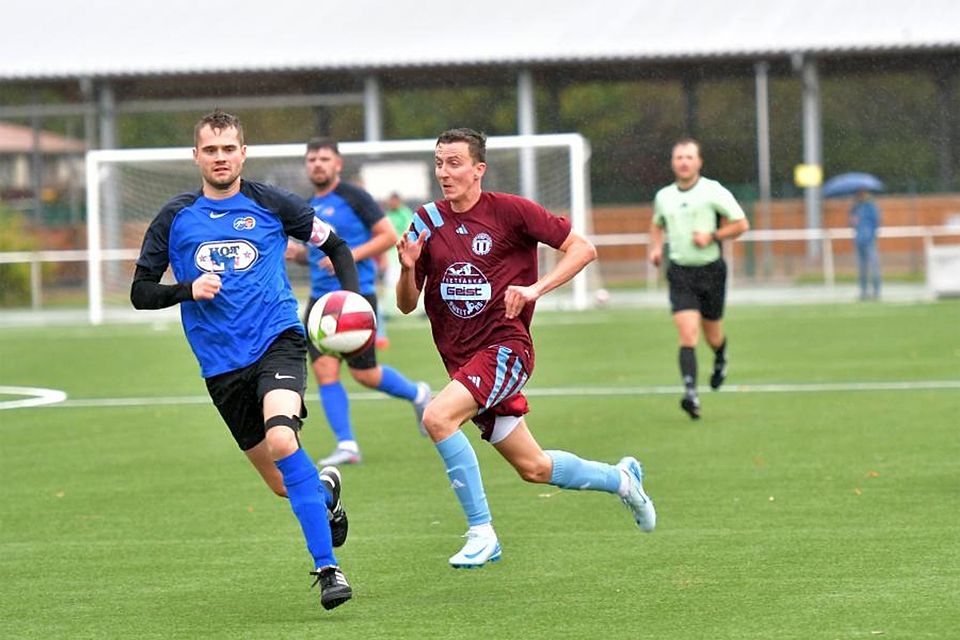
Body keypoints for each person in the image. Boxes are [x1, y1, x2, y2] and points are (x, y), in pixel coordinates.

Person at [396, 127, 656, 569]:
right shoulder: (426, 221)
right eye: (439, 162)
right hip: (463, 363)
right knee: (534, 467)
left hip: (506, 350)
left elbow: (582, 248)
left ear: (479, 169)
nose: (444, 172)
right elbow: (405, 306)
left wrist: (536, 288)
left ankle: (482, 533)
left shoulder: (511, 212)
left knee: (437, 417)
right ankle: (622, 480)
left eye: (454, 162)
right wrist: (406, 270)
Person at [130, 110, 357, 610]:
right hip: (220, 366)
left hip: (277, 338)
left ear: (243, 153)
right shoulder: (174, 217)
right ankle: (325, 493)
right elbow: (140, 293)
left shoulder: (273, 203)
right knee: (282, 485)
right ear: (197, 156)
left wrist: (353, 303)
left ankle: (328, 570)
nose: (220, 158)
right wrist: (187, 289)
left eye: (228, 148)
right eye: (210, 150)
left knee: (282, 437)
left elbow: (336, 246)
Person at [286, 138, 431, 467]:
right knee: (324, 371)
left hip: (354, 296)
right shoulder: (307, 205)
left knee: (365, 374)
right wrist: (301, 256)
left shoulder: (355, 197)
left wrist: (347, 255)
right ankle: (347, 445)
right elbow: (318, 256)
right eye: (312, 159)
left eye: (324, 158)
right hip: (319, 302)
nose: (317, 164)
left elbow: (388, 237)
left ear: (337, 164)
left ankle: (418, 393)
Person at [649, 138, 750, 420]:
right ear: (673, 162)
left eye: (689, 157)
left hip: (711, 271)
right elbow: (657, 224)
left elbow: (741, 224)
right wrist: (657, 248)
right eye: (679, 157)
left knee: (713, 335)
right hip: (680, 272)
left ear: (699, 162)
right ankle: (690, 394)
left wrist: (713, 236)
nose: (684, 161)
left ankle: (720, 357)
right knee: (687, 334)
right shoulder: (664, 196)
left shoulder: (712, 191)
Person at [375, 191, 415, 347]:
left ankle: (412, 309)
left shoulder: (405, 213)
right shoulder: (386, 216)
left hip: (404, 253)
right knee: (390, 283)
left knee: (404, 281)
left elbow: (409, 230)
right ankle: (388, 311)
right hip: (391, 254)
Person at [849, 189, 881, 300]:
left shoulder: (871, 207)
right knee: (862, 268)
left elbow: (876, 222)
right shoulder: (856, 208)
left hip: (869, 240)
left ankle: (876, 292)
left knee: (874, 266)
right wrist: (852, 216)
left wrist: (872, 235)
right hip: (859, 241)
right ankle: (863, 292)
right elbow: (852, 224)